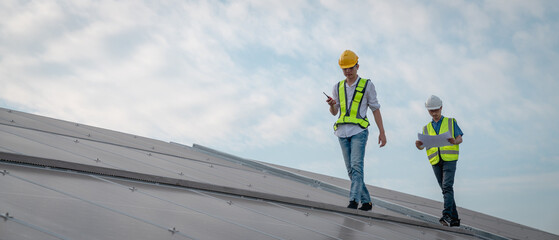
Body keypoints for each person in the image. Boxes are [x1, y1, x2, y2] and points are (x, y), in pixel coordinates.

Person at [326, 50, 387, 211]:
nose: (348, 71)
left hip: (359, 131)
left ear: (357, 66)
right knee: (351, 170)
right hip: (342, 132)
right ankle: (366, 202)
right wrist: (332, 105)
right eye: (344, 68)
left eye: (351, 68)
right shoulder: (337, 87)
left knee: (356, 166)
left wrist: (382, 132)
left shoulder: (367, 85)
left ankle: (353, 201)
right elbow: (334, 112)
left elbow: (375, 109)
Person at [415, 95, 463, 227]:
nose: (434, 113)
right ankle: (455, 219)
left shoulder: (451, 122)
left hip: (450, 159)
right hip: (435, 161)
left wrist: (454, 141)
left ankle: (446, 215)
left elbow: (460, 138)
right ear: (428, 111)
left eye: (436, 110)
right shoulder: (426, 128)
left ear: (441, 107)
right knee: (444, 189)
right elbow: (422, 147)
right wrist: (418, 144)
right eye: (431, 111)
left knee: (447, 187)